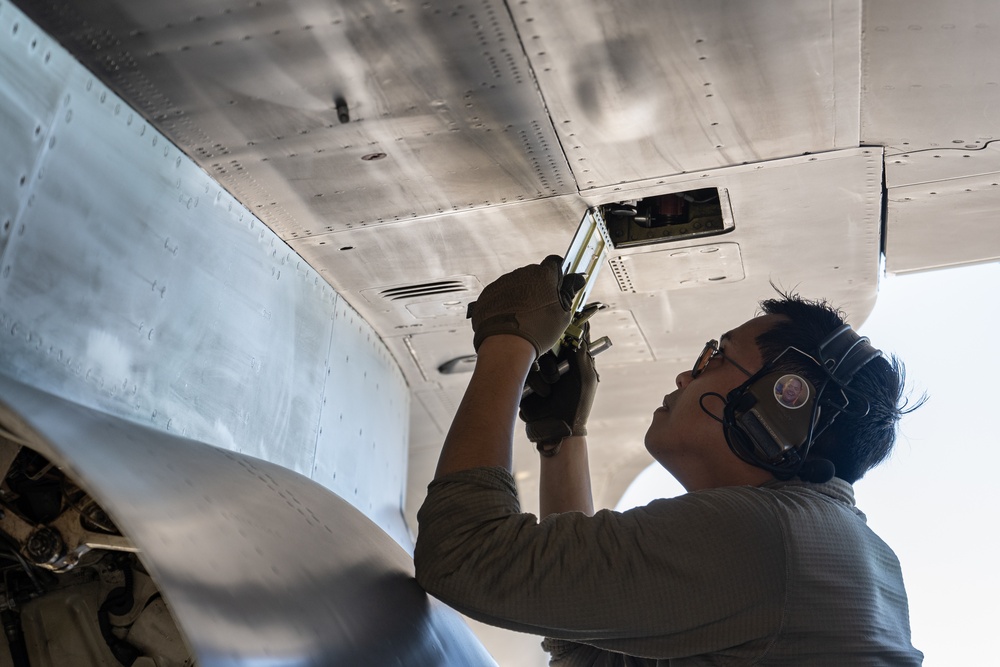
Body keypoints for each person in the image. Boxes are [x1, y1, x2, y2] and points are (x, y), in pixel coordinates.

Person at [414, 256, 923, 665]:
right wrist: (564, 438)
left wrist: (509, 337)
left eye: (715, 358)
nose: (686, 377)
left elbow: (463, 555)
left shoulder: (766, 541)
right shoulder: (828, 549)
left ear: (779, 407)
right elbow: (587, 638)